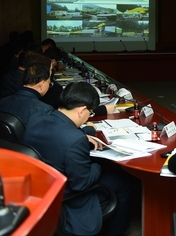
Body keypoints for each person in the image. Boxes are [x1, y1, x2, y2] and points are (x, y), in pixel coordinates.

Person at [23, 82, 133, 236]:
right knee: (123, 181)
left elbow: (59, 134)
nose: (90, 115)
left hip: (39, 188)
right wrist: (100, 165)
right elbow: (82, 183)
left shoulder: (36, 118)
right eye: (91, 112)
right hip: (67, 197)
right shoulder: (75, 139)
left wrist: (83, 133)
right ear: (81, 110)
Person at [0, 62, 54, 126]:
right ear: (41, 85)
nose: (49, 87)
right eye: (49, 83)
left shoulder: (1, 102)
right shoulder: (44, 110)